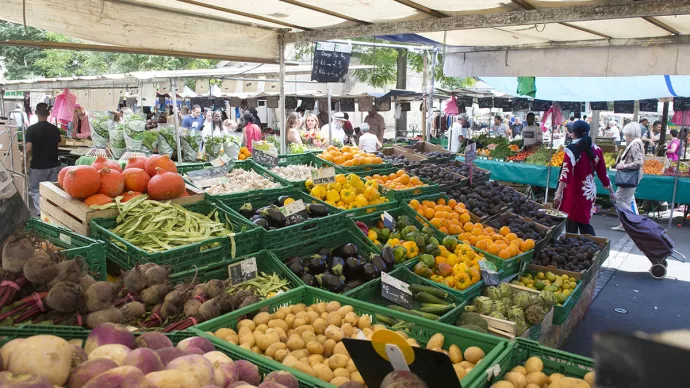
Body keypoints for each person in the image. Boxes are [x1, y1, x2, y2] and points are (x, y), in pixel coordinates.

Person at [553, 120, 615, 235]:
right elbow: (603, 173)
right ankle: (593, 245)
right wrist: (611, 191)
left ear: (574, 133)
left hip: (574, 191)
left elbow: (565, 173)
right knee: (584, 222)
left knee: (572, 223)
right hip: (589, 192)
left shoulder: (571, 150)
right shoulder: (597, 149)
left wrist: (558, 193)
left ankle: (577, 247)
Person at [25, 103, 62, 215]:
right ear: (48, 114)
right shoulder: (55, 129)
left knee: (35, 190)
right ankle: (52, 215)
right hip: (54, 165)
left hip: (38, 165)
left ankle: (42, 214)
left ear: (36, 113)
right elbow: (57, 145)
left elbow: (28, 149)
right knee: (51, 191)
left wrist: (24, 162)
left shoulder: (31, 129)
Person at [611, 122, 645, 231]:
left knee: (619, 199)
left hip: (629, 176)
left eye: (626, 134)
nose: (625, 136)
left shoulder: (634, 144)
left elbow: (639, 162)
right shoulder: (638, 143)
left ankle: (630, 221)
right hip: (632, 176)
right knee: (626, 200)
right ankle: (625, 224)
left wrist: (623, 165)